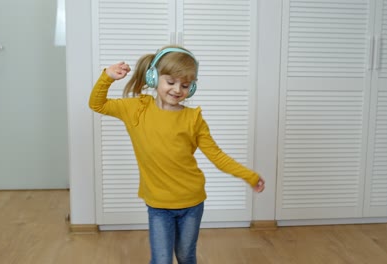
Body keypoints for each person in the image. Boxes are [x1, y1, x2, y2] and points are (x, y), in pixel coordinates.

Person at [89, 45, 265, 264]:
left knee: (185, 256)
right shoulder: (136, 109)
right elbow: (97, 104)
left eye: (185, 85)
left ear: (191, 88)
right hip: (159, 205)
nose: (177, 90)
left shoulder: (193, 119)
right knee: (162, 260)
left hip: (192, 202)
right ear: (153, 77)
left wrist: (249, 176)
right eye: (170, 82)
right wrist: (107, 76)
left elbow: (217, 156)